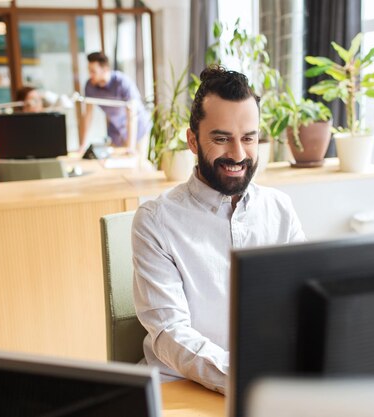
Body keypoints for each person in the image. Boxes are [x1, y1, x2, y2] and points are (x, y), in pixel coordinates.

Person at [131, 66, 306, 394]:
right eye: (222, 138)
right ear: (193, 141)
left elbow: (303, 303)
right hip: (181, 386)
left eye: (248, 138)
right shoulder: (154, 221)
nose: (238, 155)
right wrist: (246, 379)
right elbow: (170, 333)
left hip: (269, 387)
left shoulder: (280, 209)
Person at [81, 51, 150, 153]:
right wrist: (82, 146)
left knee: (136, 163)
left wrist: (130, 147)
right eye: (89, 71)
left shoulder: (122, 83)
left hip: (137, 130)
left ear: (105, 69)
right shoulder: (90, 86)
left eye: (93, 71)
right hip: (116, 133)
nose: (90, 75)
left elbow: (132, 116)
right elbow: (88, 115)